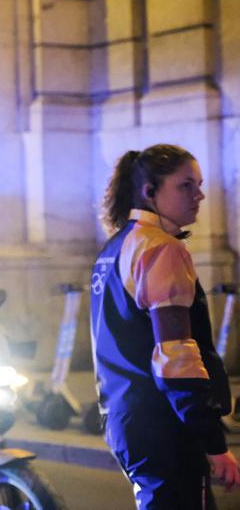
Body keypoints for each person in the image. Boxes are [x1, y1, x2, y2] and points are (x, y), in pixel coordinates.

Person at [92, 144, 240, 508]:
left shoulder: (116, 245)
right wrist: (213, 442)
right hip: (163, 423)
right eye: (185, 185)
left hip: (126, 417)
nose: (200, 195)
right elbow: (176, 357)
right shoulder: (161, 248)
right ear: (150, 191)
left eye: (199, 184)